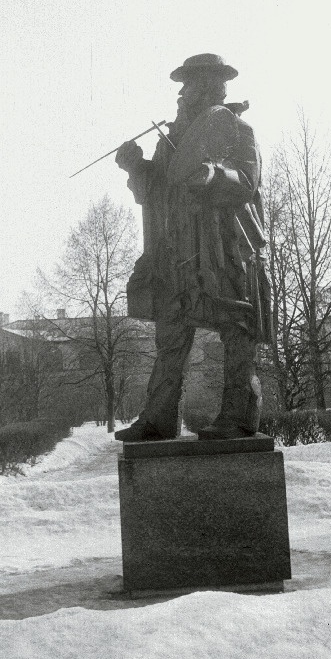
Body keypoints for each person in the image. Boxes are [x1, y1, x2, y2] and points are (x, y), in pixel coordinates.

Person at [114, 53, 271, 441]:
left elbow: (246, 182)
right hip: (175, 253)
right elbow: (155, 193)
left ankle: (238, 416)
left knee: (235, 330)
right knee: (170, 335)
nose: (181, 95)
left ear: (210, 88)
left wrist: (211, 174)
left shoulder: (236, 130)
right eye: (181, 88)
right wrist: (137, 168)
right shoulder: (171, 142)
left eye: (188, 87)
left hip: (221, 252)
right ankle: (159, 418)